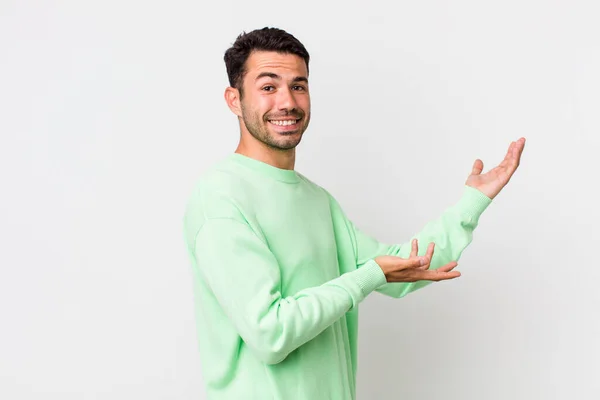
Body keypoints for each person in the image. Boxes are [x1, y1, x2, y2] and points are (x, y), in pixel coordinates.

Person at [182, 27, 526, 400]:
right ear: (234, 99)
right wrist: (368, 276)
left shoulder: (317, 201)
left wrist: (471, 203)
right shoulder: (220, 197)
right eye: (268, 87)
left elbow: (409, 266)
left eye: (299, 86)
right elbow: (271, 333)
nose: (287, 102)